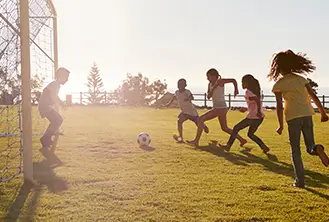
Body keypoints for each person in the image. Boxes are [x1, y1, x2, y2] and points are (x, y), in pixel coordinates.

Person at [269, 49, 329, 188]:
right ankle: (317, 148)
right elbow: (313, 96)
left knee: (295, 150)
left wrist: (280, 125)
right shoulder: (301, 79)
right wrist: (323, 113)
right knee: (310, 147)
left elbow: (279, 106)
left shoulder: (279, 84)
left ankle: (300, 181)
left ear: (279, 67)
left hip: (293, 117)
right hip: (307, 114)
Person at [187, 68, 247, 147]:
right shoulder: (210, 84)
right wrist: (214, 87)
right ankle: (242, 140)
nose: (207, 78)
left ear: (214, 76)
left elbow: (233, 80)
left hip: (220, 108)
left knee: (200, 119)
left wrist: (236, 89)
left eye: (208, 76)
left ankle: (196, 141)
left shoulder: (220, 81)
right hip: (219, 108)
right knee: (224, 128)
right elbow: (209, 96)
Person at [222, 74, 270, 153]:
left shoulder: (248, 92)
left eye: (242, 82)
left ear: (247, 83)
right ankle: (264, 147)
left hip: (253, 117)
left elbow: (257, 101)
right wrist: (247, 109)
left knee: (236, 128)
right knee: (250, 134)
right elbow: (255, 103)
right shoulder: (255, 91)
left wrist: (257, 112)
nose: (242, 84)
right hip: (259, 117)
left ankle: (228, 146)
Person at [165, 78, 209, 143]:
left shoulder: (187, 92)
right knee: (179, 121)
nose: (179, 86)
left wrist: (188, 98)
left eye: (181, 84)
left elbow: (192, 97)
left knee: (199, 125)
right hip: (185, 112)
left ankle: (204, 127)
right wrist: (168, 104)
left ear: (185, 85)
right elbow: (174, 97)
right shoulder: (177, 92)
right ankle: (181, 137)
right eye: (178, 84)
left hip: (192, 113)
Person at [38, 67, 70, 156]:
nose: (67, 80)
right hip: (45, 106)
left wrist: (58, 102)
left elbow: (53, 95)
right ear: (60, 76)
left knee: (56, 121)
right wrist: (58, 102)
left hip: (47, 106)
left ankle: (46, 139)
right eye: (66, 77)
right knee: (58, 120)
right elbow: (49, 93)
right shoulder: (55, 84)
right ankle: (45, 138)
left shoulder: (56, 85)